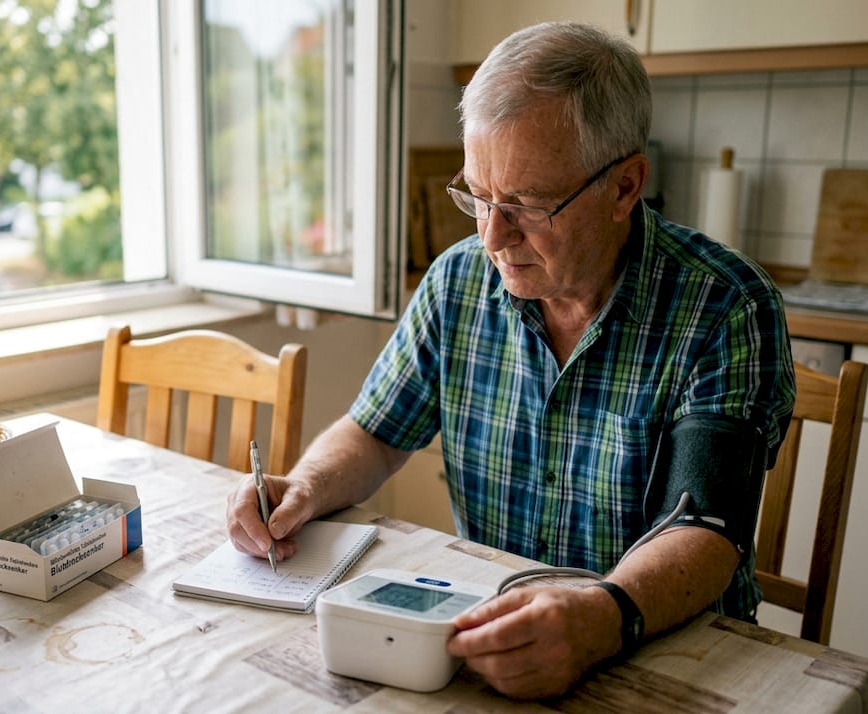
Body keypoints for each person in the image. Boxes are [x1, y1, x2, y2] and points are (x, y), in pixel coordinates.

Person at [227, 21, 795, 699]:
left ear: (624, 186)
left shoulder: (724, 305)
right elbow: (376, 434)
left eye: (524, 204)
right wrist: (306, 486)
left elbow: (705, 528)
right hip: (505, 644)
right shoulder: (457, 282)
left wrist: (603, 614)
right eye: (478, 196)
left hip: (668, 651)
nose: (493, 237)